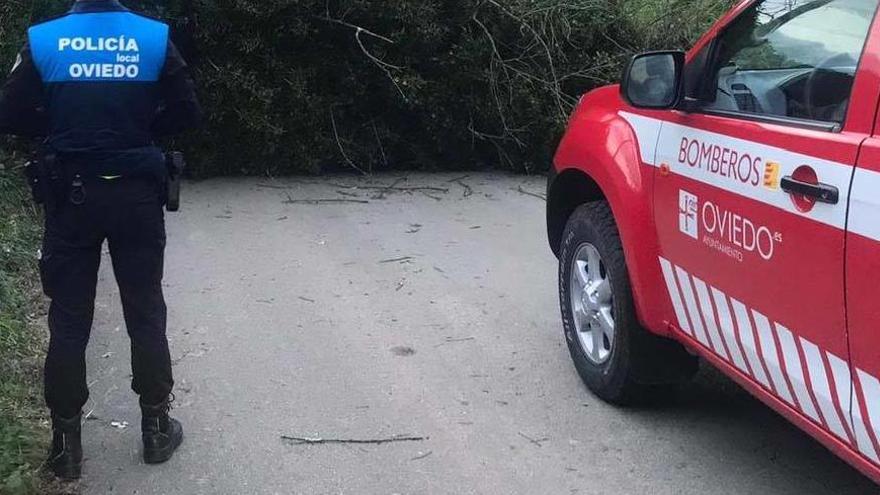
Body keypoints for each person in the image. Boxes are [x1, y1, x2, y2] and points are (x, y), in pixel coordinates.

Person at [0, 0, 201, 480]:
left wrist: (58, 126)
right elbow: (188, 113)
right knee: (144, 307)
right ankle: (155, 429)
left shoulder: (44, 39)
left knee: (69, 320)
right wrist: (139, 130)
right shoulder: (152, 38)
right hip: (136, 195)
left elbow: (8, 114)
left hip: (71, 196)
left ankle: (65, 448)